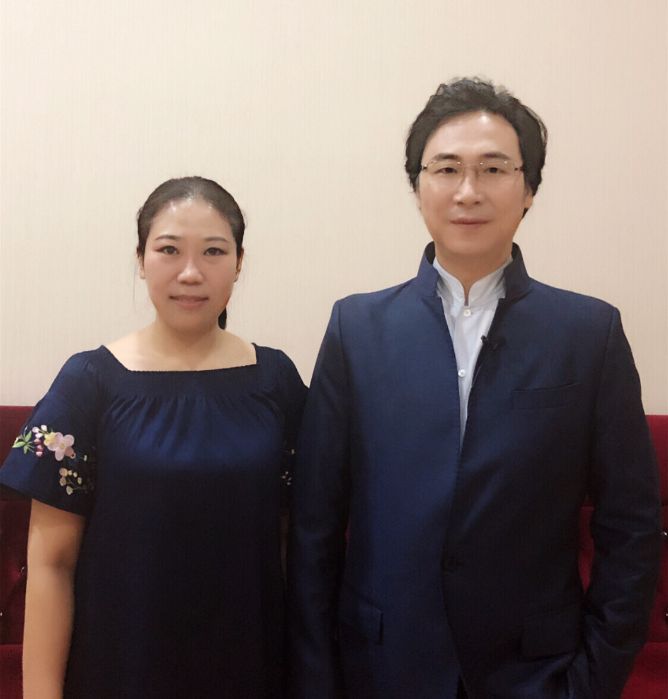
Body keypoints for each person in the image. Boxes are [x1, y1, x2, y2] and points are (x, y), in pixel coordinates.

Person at [288, 79, 661, 699]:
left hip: (537, 672)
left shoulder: (588, 333)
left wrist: (592, 680)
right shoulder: (357, 329)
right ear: (417, 187)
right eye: (446, 169)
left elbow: (631, 526)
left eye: (493, 168)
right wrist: (318, 679)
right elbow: (315, 527)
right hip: (382, 666)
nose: (468, 191)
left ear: (529, 189)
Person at [0, 176, 306, 698]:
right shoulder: (89, 382)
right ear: (141, 259)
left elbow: (293, 545)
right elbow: (51, 564)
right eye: (169, 250)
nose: (191, 272)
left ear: (239, 262)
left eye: (214, 251)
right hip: (120, 667)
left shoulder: (275, 381)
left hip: (248, 664)